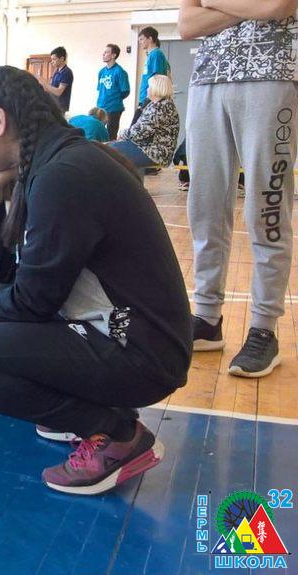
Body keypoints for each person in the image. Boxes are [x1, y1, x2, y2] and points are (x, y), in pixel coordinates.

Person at [0, 66, 192, 495]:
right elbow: (5, 279)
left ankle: (116, 432)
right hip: (129, 335)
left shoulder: (63, 175)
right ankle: (85, 409)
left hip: (140, 352)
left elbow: (31, 302)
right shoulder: (54, 161)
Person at [180, 0, 297, 377]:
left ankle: (264, 329)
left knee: (267, 208)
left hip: (272, 72)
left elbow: (279, 6)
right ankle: (207, 318)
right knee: (205, 207)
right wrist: (252, 6)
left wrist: (213, 3)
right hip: (208, 80)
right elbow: (187, 24)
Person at [109, 75, 179, 172]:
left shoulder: (160, 108)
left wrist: (122, 133)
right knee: (110, 147)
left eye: (149, 87)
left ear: (156, 89)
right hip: (151, 149)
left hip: (155, 153)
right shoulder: (160, 104)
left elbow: (139, 133)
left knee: (109, 150)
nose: (147, 89)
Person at [134, 27, 169, 125]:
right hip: (144, 97)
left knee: (136, 127)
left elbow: (157, 78)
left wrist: (150, 98)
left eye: (142, 39)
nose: (140, 42)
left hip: (150, 98)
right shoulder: (150, 55)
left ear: (150, 39)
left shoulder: (156, 54)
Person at [97, 43, 130, 138]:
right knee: (98, 132)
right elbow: (100, 89)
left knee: (111, 135)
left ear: (113, 55)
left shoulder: (120, 72)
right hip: (100, 107)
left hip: (114, 109)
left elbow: (125, 91)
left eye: (106, 52)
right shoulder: (101, 72)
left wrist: (114, 99)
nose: (103, 54)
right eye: (104, 52)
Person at [42, 46, 74, 113]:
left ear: (62, 58)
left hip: (60, 108)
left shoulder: (67, 72)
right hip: (53, 105)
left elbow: (58, 92)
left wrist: (44, 83)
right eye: (51, 59)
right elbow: (51, 87)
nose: (52, 62)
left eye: (54, 59)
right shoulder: (56, 71)